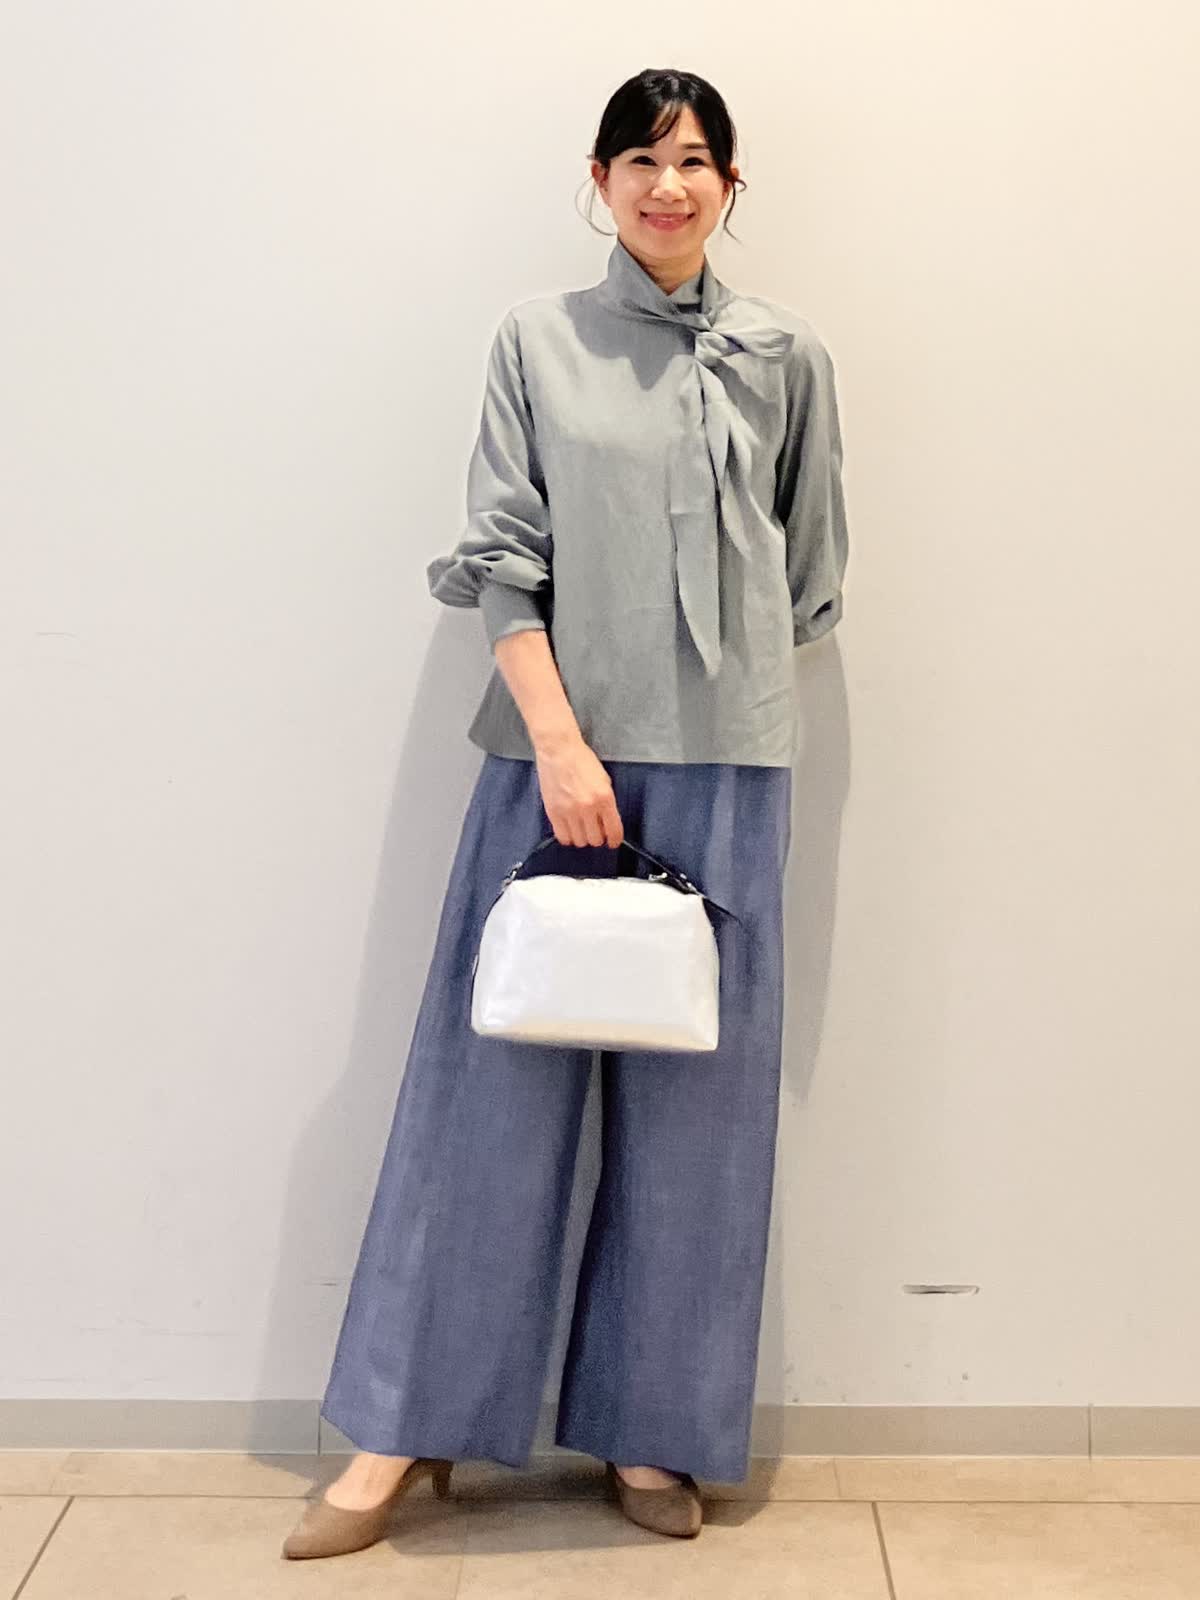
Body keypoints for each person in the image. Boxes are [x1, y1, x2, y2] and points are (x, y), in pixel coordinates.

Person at [282, 64, 849, 1560]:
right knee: (488, 1097)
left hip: (728, 764)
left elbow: (814, 574)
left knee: (700, 1121)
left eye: (697, 159)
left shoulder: (787, 355)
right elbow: (504, 554)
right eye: (641, 160)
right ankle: (406, 1428)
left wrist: (707, 684)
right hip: (557, 759)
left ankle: (654, 1432)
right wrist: (565, 741)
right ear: (598, 182)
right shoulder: (536, 341)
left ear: (732, 185)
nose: (670, 185)